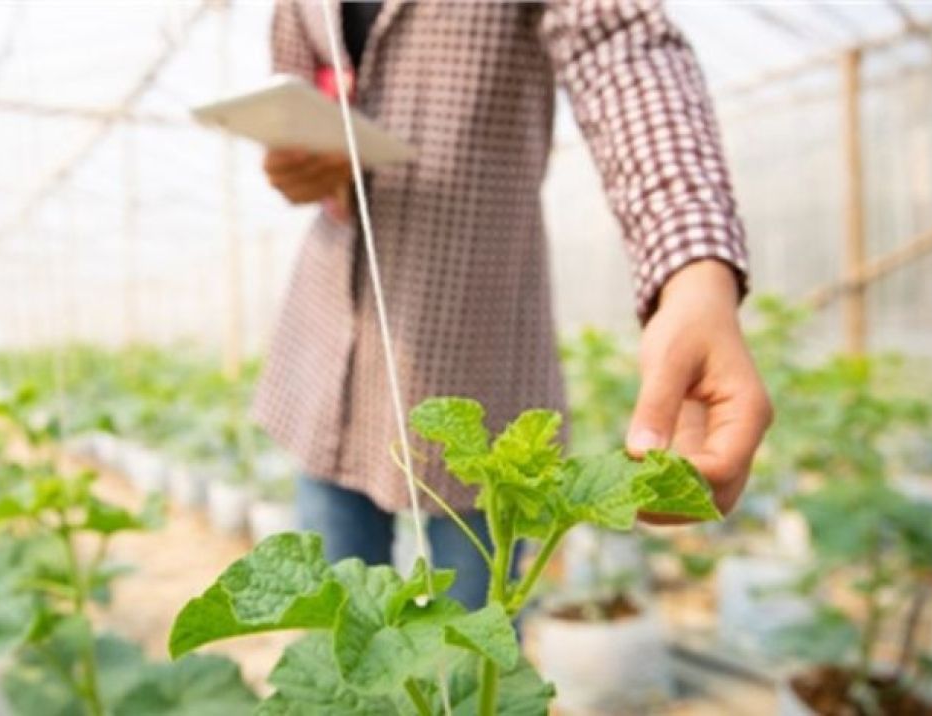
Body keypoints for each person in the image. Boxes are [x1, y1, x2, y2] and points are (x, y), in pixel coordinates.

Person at [253, 1, 772, 610]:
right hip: (329, 344)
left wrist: (693, 272)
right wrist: (299, 165)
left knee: (475, 656)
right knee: (339, 642)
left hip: (474, 348)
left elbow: (620, 43)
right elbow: (292, 85)